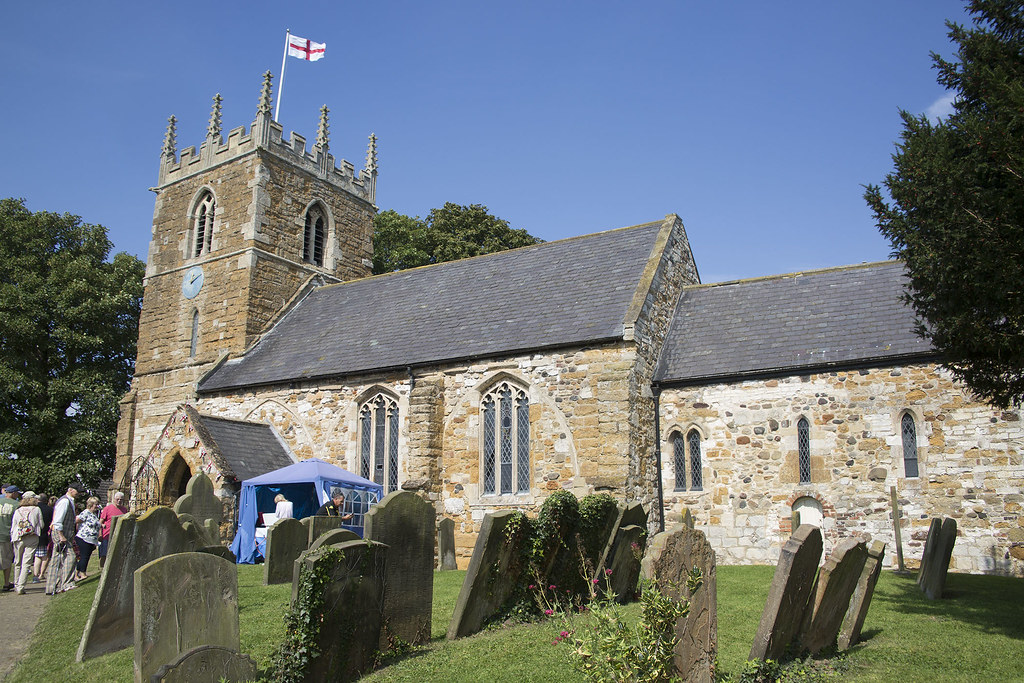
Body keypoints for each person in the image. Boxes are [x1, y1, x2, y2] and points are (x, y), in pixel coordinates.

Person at [47, 482, 81, 595]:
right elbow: (57, 520)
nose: (78, 493)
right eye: (77, 491)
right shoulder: (64, 501)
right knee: (66, 558)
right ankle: (63, 584)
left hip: (65, 535)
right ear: (71, 490)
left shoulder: (69, 501)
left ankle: (58, 585)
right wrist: (61, 536)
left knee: (62, 558)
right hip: (61, 534)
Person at [10, 491, 42, 594]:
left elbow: (14, 525)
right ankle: (21, 586)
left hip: (18, 537)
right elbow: (41, 524)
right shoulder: (36, 509)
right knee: (27, 562)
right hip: (31, 537)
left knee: (17, 562)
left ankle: (16, 584)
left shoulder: (18, 510)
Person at [98, 491, 128, 569]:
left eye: (121, 499)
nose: (119, 501)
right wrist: (100, 534)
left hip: (118, 534)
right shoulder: (107, 509)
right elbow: (100, 522)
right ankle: (102, 568)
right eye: (117, 499)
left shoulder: (124, 510)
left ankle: (112, 568)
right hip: (107, 535)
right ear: (114, 499)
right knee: (104, 553)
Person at [74, 496, 101, 580]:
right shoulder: (86, 512)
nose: (97, 506)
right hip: (84, 538)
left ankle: (76, 573)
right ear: (91, 504)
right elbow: (76, 520)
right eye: (96, 504)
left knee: (86, 556)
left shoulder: (94, 514)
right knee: (84, 556)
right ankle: (82, 573)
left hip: (91, 539)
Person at [0, 485, 21, 592]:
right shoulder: (17, 505)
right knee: (6, 560)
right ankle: (6, 583)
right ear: (13, 493)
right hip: (6, 535)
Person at [33, 493, 52, 583]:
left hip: (34, 534)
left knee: (37, 555)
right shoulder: (49, 509)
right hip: (45, 534)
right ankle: (41, 574)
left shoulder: (34, 508)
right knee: (45, 555)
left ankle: (35, 574)